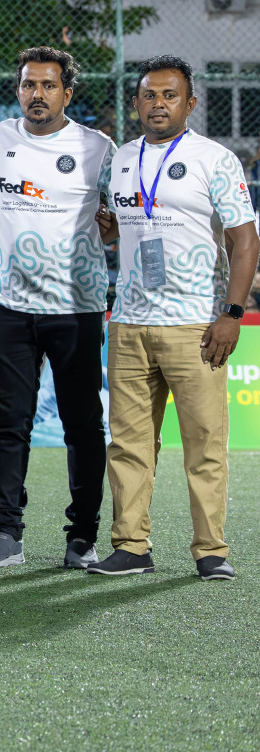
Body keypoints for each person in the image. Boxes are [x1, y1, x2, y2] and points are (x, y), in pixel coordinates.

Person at [91, 56, 258, 580]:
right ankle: (131, 546)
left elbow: (244, 239)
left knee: (205, 443)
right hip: (129, 324)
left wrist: (232, 313)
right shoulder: (120, 159)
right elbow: (119, 228)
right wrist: (109, 229)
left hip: (195, 326)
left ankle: (211, 551)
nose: (157, 104)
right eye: (148, 95)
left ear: (189, 103)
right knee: (128, 443)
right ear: (136, 101)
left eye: (169, 95)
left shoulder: (216, 158)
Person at [0, 46, 115, 570]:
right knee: (10, 420)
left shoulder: (97, 147)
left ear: (68, 93)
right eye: (29, 85)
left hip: (76, 306)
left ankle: (82, 536)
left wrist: (114, 228)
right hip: (10, 305)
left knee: (84, 424)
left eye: (49, 85)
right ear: (17, 90)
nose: (38, 94)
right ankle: (8, 532)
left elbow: (122, 215)